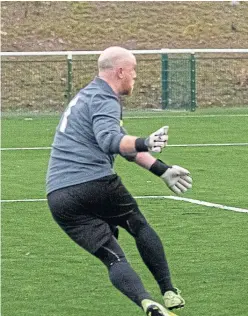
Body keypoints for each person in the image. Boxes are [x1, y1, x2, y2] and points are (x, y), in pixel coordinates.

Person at [46, 46, 192, 316]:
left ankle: (147, 303)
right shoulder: (105, 98)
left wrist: (162, 170)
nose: (136, 76)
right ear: (120, 71)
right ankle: (169, 291)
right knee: (138, 225)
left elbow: (122, 144)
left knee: (113, 258)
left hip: (58, 197)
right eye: (133, 70)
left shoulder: (86, 96)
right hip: (94, 181)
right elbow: (110, 141)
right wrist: (146, 141)